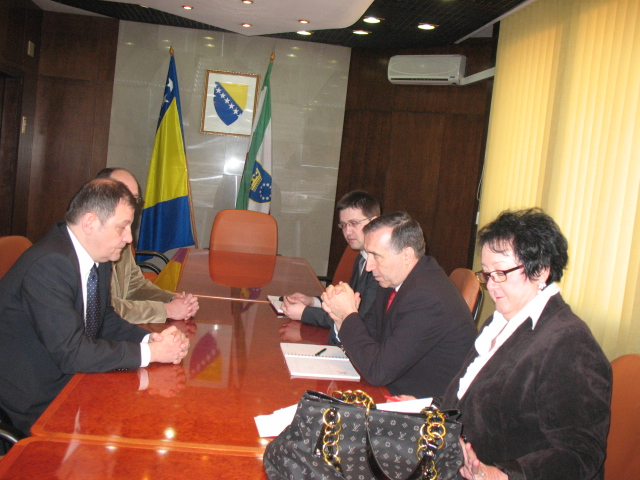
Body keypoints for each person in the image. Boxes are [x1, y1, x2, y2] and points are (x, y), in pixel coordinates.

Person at [0, 179, 190, 436]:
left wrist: (150, 339)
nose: (129, 238)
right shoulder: (49, 264)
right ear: (90, 223)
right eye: (122, 227)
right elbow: (72, 353)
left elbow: (104, 319)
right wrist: (151, 353)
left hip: (71, 380)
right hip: (34, 401)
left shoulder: (98, 256)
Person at [442, 208, 611, 480]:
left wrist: (501, 474)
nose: (491, 285)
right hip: (452, 460)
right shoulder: (500, 320)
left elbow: (581, 454)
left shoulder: (569, 343)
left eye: (501, 272)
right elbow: (466, 395)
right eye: (487, 274)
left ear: (541, 271)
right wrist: (427, 411)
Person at [321, 212, 476, 398]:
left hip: (419, 405)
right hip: (390, 388)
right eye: (368, 254)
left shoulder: (426, 297)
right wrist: (340, 318)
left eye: (376, 256)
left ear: (407, 255)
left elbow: (378, 371)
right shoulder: (393, 279)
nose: (369, 266)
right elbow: (370, 337)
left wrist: (348, 315)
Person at [95, 168, 199, 323]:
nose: (130, 205)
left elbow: (134, 286)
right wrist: (167, 310)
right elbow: (104, 309)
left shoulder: (124, 237)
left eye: (134, 199)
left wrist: (170, 299)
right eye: (123, 196)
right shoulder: (88, 244)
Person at [281, 190, 380, 344]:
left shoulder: (380, 266)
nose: (348, 232)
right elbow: (347, 303)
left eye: (354, 223)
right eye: (344, 225)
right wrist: (313, 302)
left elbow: (357, 318)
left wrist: (305, 313)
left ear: (374, 222)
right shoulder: (362, 256)